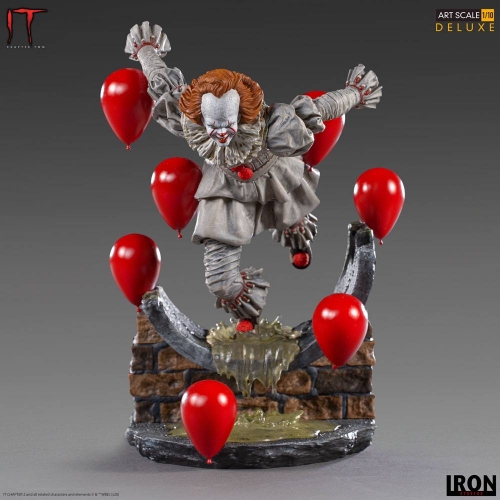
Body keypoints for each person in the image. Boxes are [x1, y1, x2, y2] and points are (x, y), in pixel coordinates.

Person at [125, 22, 382, 331]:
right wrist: (146, 50)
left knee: (293, 219)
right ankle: (248, 310)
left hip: (274, 176)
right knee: (219, 279)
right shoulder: (190, 121)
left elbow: (322, 108)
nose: (221, 134)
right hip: (225, 192)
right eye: (212, 125)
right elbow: (162, 82)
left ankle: (298, 241)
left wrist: (355, 93)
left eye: (227, 124)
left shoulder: (275, 125)